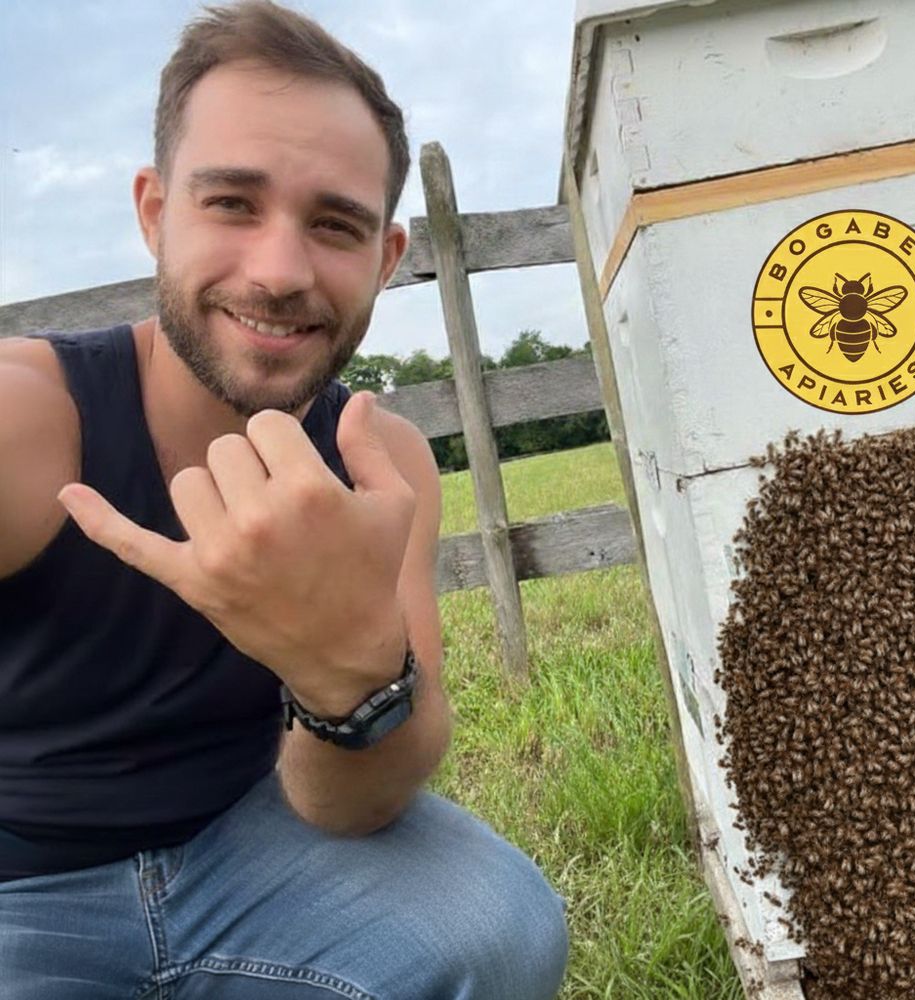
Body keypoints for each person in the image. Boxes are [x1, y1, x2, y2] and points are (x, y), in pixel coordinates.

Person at [0, 1, 569, 997]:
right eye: (231, 203)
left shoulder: (377, 462)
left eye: (334, 224)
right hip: (20, 893)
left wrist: (342, 677)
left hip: (253, 843)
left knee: (498, 927)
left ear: (387, 260)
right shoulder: (25, 420)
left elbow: (355, 803)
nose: (278, 272)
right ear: (153, 211)